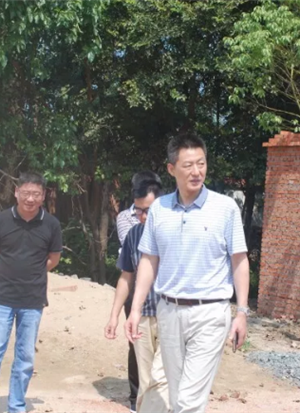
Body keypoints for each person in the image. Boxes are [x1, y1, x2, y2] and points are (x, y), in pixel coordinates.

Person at [125, 133, 250, 413]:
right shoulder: (159, 209)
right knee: (176, 394)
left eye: (201, 164)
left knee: (188, 402)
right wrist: (135, 310)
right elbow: (148, 261)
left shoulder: (225, 208)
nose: (196, 172)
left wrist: (242, 312)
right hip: (168, 311)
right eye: (188, 165)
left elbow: (239, 261)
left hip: (210, 313)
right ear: (172, 169)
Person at [0, 172, 62, 413]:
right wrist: (9, 272)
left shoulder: (51, 225)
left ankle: (16, 406)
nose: (30, 199)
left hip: (32, 301)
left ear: (43, 195)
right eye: (26, 193)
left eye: (36, 194)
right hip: (1, 298)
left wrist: (31, 273)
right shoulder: (0, 221)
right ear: (16, 192)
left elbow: (53, 259)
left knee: (25, 359)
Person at [105, 172, 169, 413]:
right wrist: (114, 316)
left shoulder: (177, 234)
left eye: (148, 211)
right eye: (139, 211)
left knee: (163, 377)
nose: (143, 216)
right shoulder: (133, 236)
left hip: (171, 315)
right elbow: (126, 276)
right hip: (141, 315)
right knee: (145, 379)